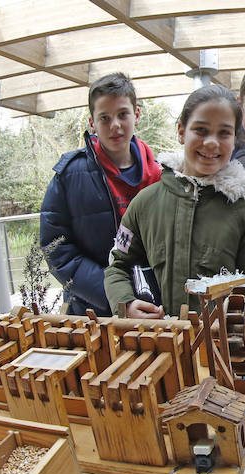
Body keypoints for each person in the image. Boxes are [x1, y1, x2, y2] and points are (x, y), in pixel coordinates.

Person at [104, 84, 245, 344]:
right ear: (181, 131)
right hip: (160, 350)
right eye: (201, 130)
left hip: (229, 361)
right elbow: (117, 266)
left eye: (224, 133)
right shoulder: (145, 204)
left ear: (234, 139)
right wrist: (126, 303)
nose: (211, 142)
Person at [40, 72, 161, 316]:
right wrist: (118, 300)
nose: (115, 125)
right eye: (105, 118)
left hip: (155, 307)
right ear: (92, 122)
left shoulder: (160, 174)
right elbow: (57, 250)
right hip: (95, 311)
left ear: (136, 115)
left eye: (122, 114)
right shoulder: (69, 177)